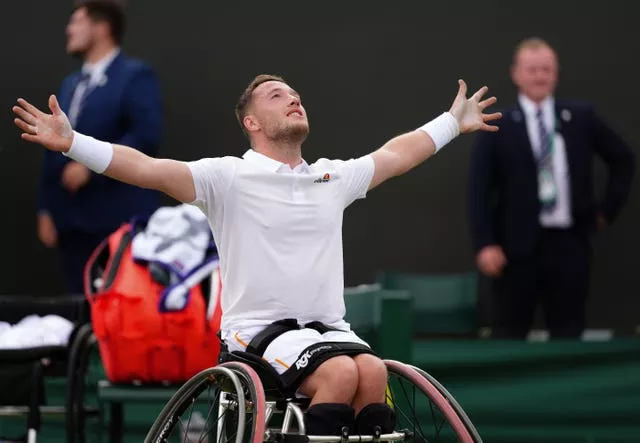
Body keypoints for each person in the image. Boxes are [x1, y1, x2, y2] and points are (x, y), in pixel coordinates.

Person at [13, 74, 499, 436]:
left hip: (328, 328)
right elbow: (145, 168)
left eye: (296, 94)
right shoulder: (226, 178)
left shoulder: (331, 177)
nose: (293, 98)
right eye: (277, 95)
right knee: (342, 372)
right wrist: (73, 143)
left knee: (371, 372)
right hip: (257, 335)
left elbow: (397, 153)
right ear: (251, 122)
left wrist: (452, 124)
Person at [469, 37, 635, 340]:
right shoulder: (498, 123)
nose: (539, 76)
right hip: (514, 251)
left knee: (569, 333)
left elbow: (623, 159)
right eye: (532, 69)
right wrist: (485, 242)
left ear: (555, 73)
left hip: (569, 246)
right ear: (516, 74)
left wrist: (604, 213)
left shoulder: (581, 117)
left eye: (546, 69)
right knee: (509, 334)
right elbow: (478, 189)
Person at [37, 0, 163, 294]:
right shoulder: (70, 84)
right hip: (72, 222)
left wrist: (90, 166)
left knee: (120, 304)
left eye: (76, 22)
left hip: (116, 219)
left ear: (101, 27)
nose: (69, 30)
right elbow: (51, 145)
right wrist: (46, 208)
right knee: (80, 305)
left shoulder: (135, 76)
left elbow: (145, 133)